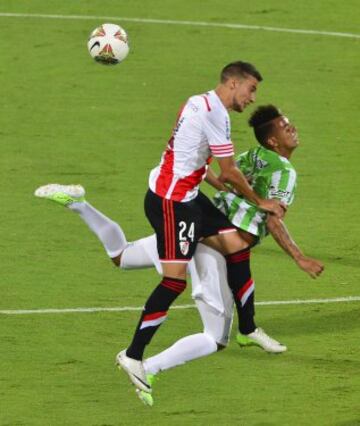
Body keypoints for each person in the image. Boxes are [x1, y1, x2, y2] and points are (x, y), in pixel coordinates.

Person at [35, 104, 323, 406]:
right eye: (284, 126)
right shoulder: (285, 172)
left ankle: (77, 203)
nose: (292, 128)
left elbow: (224, 178)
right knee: (214, 338)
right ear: (273, 141)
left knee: (122, 256)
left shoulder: (253, 156)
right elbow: (274, 219)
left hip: (190, 227)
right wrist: (299, 257)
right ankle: (145, 366)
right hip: (211, 249)